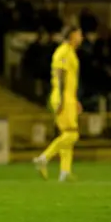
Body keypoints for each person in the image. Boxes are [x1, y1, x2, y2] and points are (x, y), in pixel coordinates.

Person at [33, 27, 83, 182]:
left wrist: (75, 100)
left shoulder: (70, 51)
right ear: (73, 35)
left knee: (66, 135)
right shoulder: (63, 52)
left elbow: (70, 79)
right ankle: (43, 158)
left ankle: (64, 172)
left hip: (69, 98)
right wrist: (61, 99)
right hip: (63, 98)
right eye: (79, 34)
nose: (81, 37)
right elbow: (59, 75)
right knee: (72, 134)